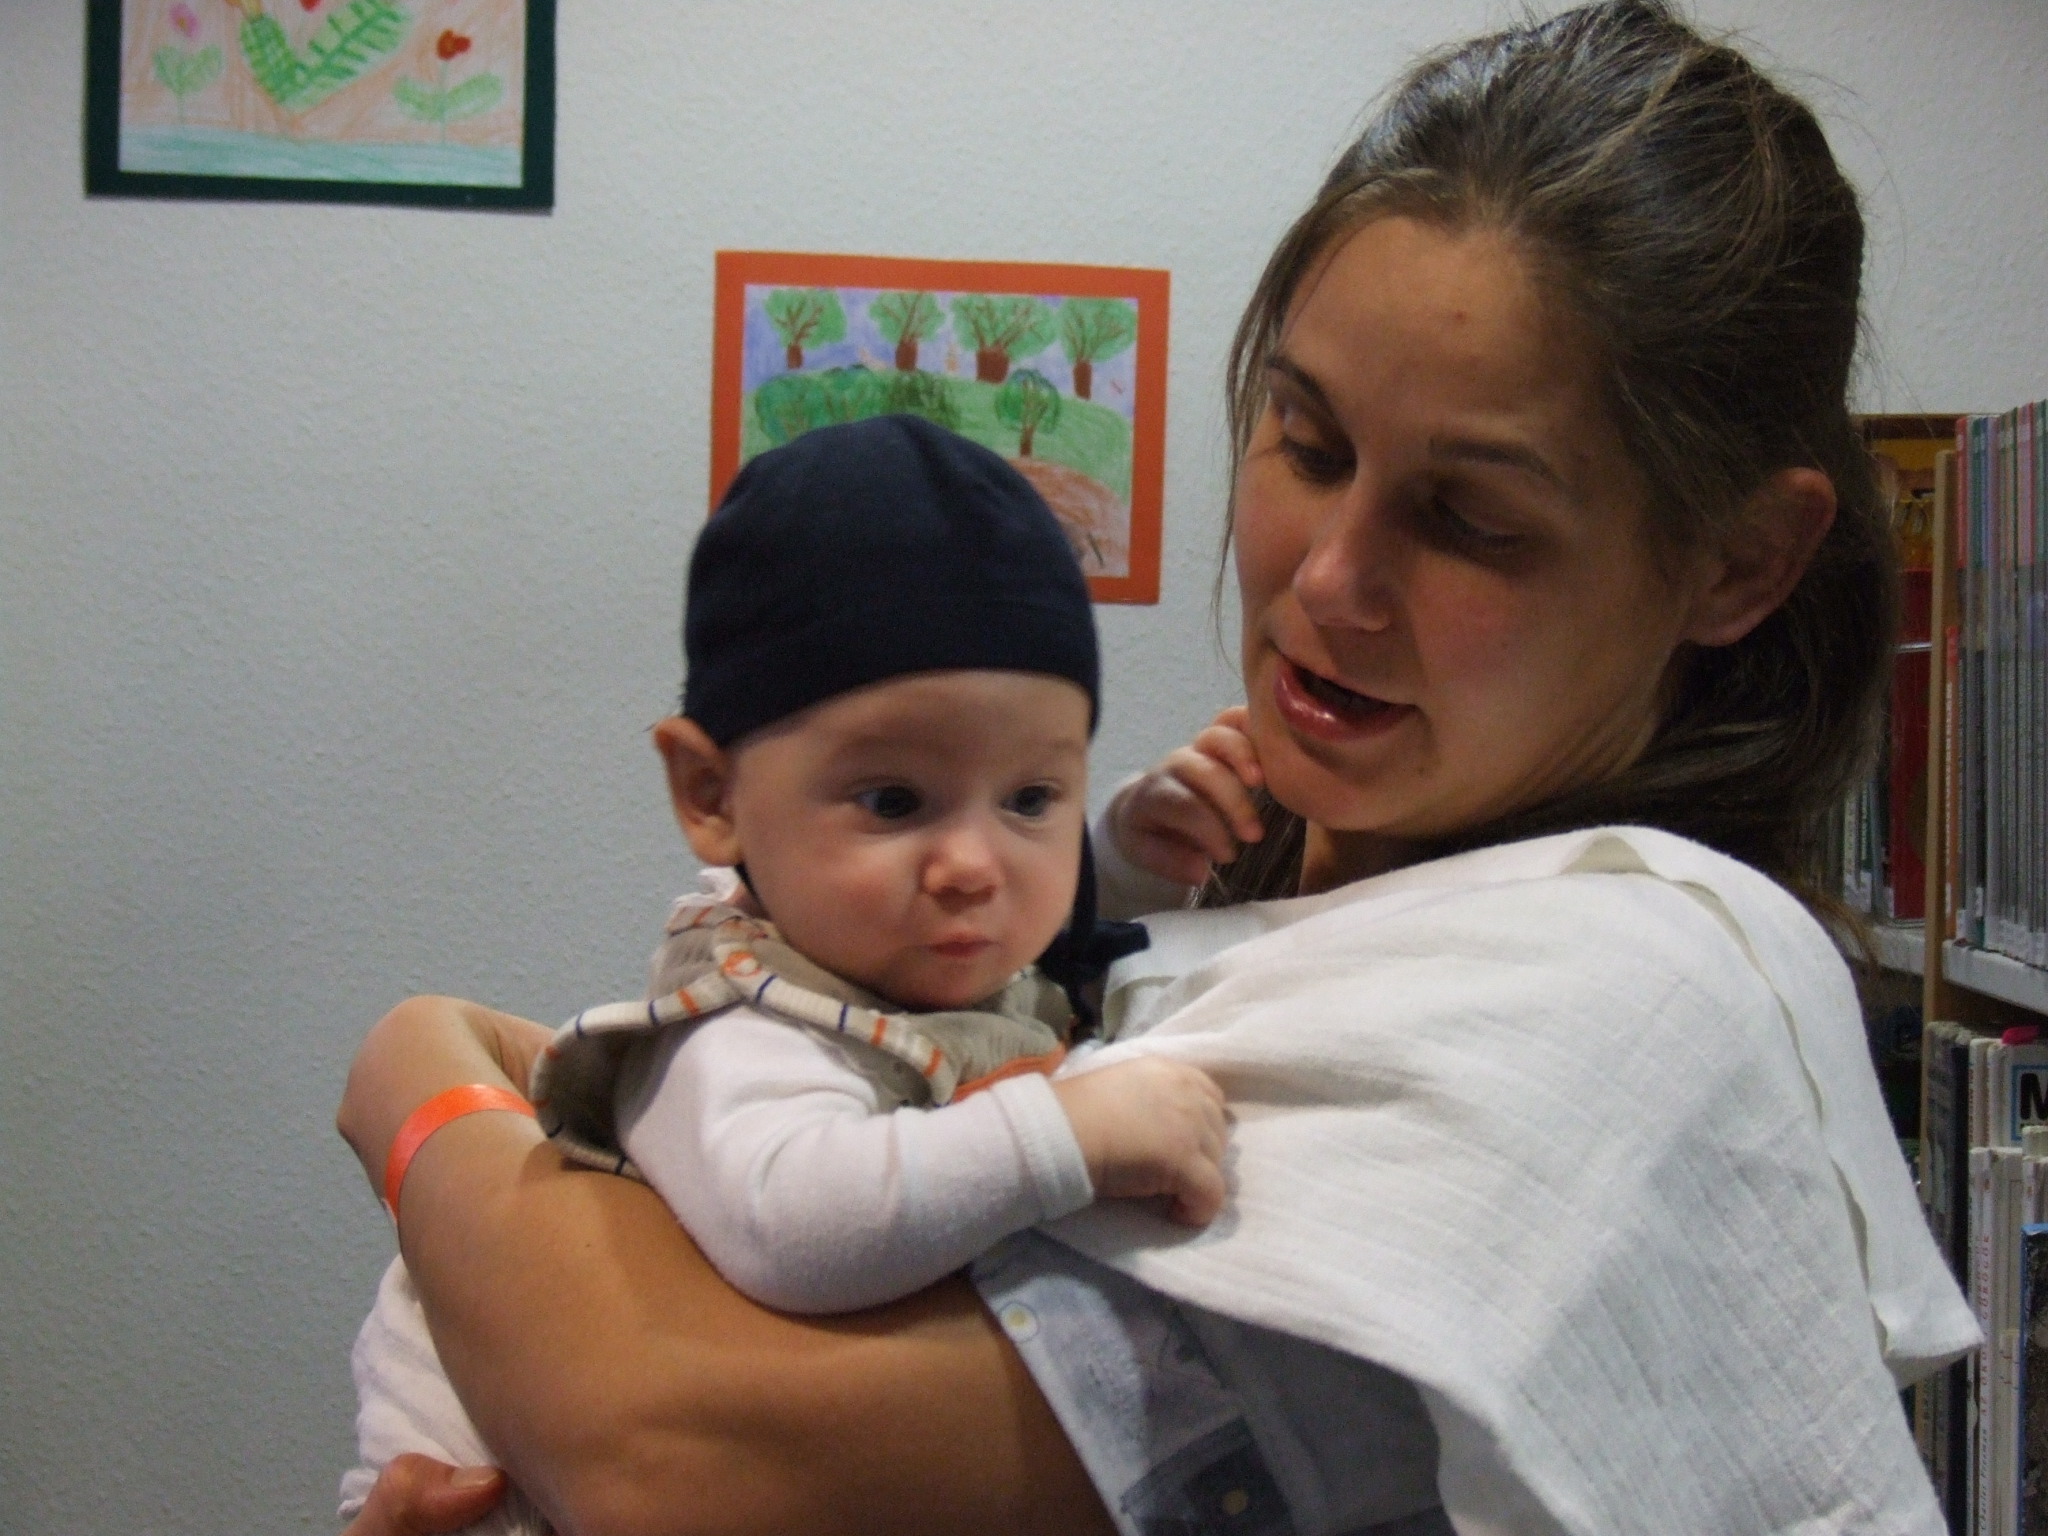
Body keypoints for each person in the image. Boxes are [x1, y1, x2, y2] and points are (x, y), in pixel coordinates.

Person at [336, 4, 1980, 1532]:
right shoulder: (1278, 877)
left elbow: (665, 1443)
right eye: (1306, 441)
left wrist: (421, 1084)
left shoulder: (1618, 993)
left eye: (1472, 518)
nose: (1325, 580)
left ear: (1735, 561)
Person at [342, 416, 1228, 1530]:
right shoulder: (743, 1031)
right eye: (893, 801)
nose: (973, 866)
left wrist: (1128, 857)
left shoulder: (911, 959)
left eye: (1030, 798)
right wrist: (1067, 1137)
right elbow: (793, 1225)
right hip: (498, 1495)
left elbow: (1048, 967)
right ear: (711, 796)